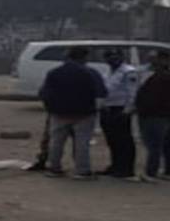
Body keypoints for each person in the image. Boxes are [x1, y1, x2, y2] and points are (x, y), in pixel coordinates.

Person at [39, 46, 107, 179]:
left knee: (56, 142)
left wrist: (51, 108)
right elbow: (102, 92)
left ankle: (54, 168)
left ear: (67, 56)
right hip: (84, 113)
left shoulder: (54, 72)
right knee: (82, 143)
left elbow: (44, 93)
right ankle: (82, 170)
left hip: (59, 113)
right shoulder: (91, 73)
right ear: (84, 57)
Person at [98, 48, 140, 180]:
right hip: (107, 109)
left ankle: (126, 169)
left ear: (122, 57)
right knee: (112, 140)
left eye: (115, 56)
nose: (112, 59)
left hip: (120, 109)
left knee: (124, 141)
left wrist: (128, 110)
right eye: (109, 56)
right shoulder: (108, 72)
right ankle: (115, 166)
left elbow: (133, 93)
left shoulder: (129, 72)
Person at [134, 52, 170, 182]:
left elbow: (152, 99)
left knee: (154, 145)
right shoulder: (157, 77)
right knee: (164, 144)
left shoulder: (161, 79)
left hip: (154, 115)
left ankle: (151, 172)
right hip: (160, 114)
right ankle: (166, 171)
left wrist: (141, 108)